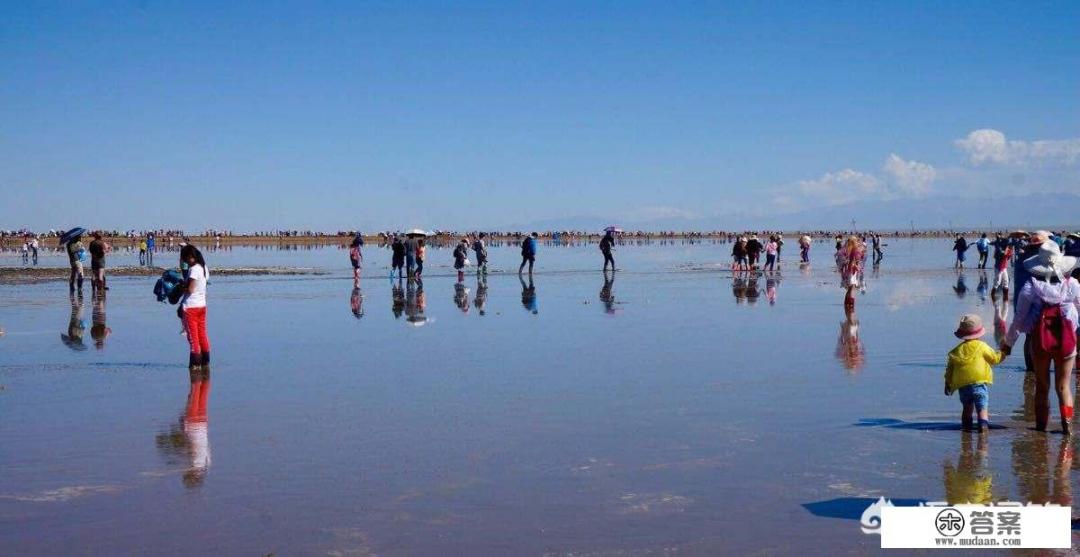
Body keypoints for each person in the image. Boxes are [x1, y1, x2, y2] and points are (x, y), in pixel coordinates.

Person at [1003, 240, 1080, 434]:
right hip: (1067, 341)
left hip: (1040, 341)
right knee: (1063, 387)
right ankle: (1067, 426)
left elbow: (1019, 319)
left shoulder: (1030, 287)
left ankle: (1041, 427)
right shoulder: (1073, 286)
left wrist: (1008, 343)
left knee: (1042, 386)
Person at [945, 314, 1004, 432]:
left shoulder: (955, 351)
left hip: (963, 385)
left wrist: (948, 384)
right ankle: (983, 430)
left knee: (967, 409)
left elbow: (949, 371)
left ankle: (966, 430)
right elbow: (994, 359)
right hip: (979, 384)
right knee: (982, 409)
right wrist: (1004, 352)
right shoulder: (982, 346)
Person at [179, 244, 210, 370]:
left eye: (186, 259)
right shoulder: (204, 268)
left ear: (191, 257)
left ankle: (195, 366)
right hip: (202, 306)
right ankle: (205, 363)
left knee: (193, 338)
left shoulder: (194, 269)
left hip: (191, 307)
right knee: (202, 335)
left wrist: (181, 288)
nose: (185, 262)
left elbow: (190, 289)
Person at [835, 236, 866, 308]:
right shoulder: (854, 250)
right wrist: (854, 266)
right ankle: (851, 305)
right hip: (852, 271)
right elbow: (853, 261)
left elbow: (846, 260)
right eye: (857, 241)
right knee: (852, 287)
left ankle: (847, 304)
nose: (858, 242)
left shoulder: (845, 249)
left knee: (849, 288)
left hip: (847, 271)